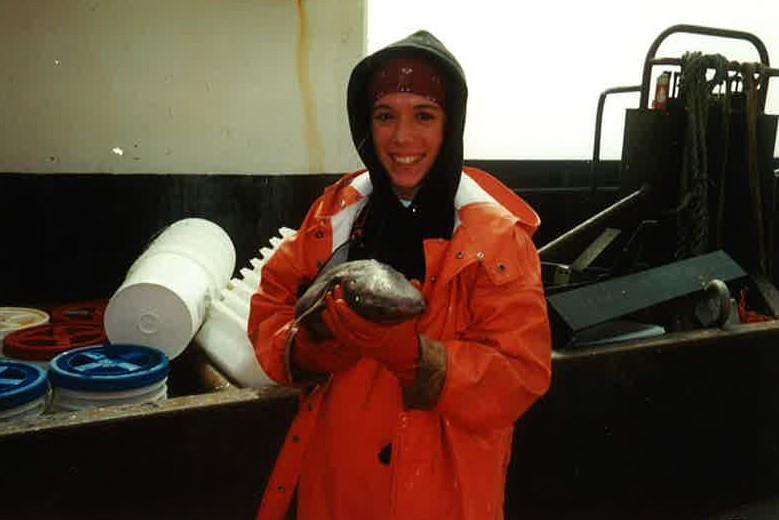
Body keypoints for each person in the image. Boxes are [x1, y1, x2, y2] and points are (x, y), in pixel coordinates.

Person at [248, 29, 552, 520]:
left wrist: (419, 361)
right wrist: (306, 348)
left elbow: (521, 375)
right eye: (385, 115)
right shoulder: (334, 218)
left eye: (424, 116)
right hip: (338, 489)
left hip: (442, 496)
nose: (402, 138)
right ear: (366, 125)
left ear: (451, 125)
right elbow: (271, 309)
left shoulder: (497, 239)